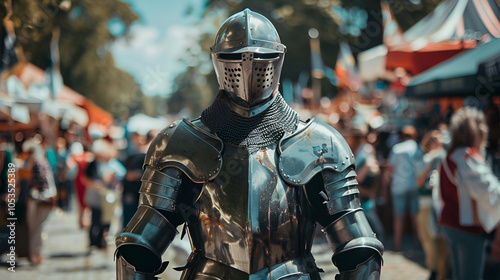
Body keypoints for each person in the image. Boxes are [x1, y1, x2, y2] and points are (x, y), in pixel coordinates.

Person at [115, 9, 383, 280]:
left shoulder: (320, 144)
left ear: (277, 59)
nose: (247, 68)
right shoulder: (180, 143)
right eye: (234, 58)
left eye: (261, 58)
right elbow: (138, 248)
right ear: (218, 60)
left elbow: (359, 249)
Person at [438, 107, 500, 280]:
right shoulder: (468, 157)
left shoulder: (449, 156)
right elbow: (489, 192)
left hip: (450, 224)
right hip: (468, 227)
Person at [415, 130, 448, 280]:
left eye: (440, 141)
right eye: (435, 140)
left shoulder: (445, 157)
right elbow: (419, 182)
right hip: (427, 203)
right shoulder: (426, 158)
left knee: (439, 239)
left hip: (440, 204)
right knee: (430, 238)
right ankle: (436, 270)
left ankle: (440, 271)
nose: (439, 144)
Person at [384, 125, 422, 250]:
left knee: (398, 216)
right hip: (414, 185)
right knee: (415, 215)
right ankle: (418, 241)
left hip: (398, 185)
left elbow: (390, 168)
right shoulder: (417, 148)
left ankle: (397, 242)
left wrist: (387, 185)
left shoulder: (397, 148)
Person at [346, 124, 385, 244]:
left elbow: (358, 178)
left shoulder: (361, 153)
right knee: (373, 229)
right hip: (362, 197)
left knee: (374, 229)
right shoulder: (358, 153)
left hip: (364, 198)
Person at [85, 139, 124, 251]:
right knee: (95, 219)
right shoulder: (92, 164)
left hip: (107, 196)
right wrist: (94, 184)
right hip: (95, 196)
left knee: (105, 219)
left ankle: (101, 240)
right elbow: (86, 178)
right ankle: (93, 241)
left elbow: (120, 173)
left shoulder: (110, 163)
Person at [23, 139, 57, 265]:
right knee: (37, 227)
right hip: (40, 199)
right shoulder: (39, 162)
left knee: (37, 227)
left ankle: (35, 254)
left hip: (40, 199)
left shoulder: (38, 164)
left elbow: (43, 183)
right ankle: (35, 253)